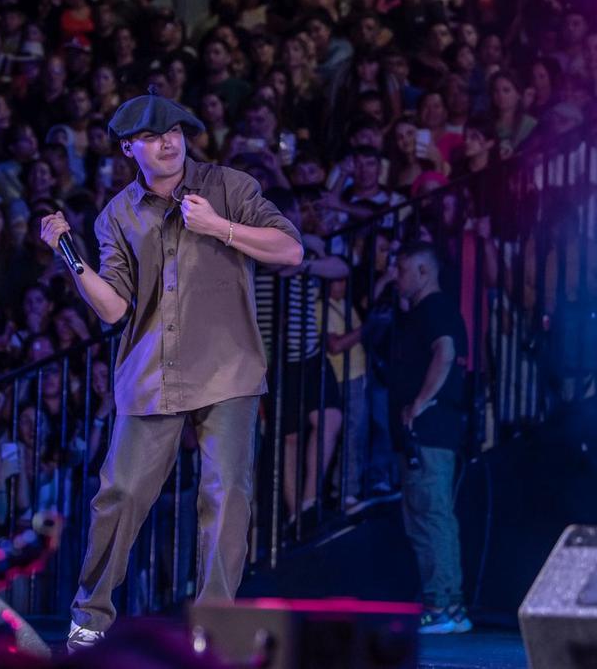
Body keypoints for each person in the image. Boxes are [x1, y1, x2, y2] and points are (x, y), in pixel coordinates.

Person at [41, 87, 302, 651]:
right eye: (153, 138)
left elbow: (290, 250)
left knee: (227, 494)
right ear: (129, 148)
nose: (168, 144)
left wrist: (219, 228)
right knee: (122, 493)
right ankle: (90, 618)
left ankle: (213, 630)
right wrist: (68, 252)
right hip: (151, 373)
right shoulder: (118, 212)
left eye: (175, 133)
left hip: (228, 369)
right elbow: (113, 307)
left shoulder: (228, 186)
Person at [365, 241, 471, 635]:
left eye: (404, 270)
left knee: (430, 517)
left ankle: (442, 605)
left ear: (425, 272)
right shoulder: (420, 312)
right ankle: (449, 604)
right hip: (422, 435)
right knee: (426, 517)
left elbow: (445, 353)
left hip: (429, 431)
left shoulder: (436, 309)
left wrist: (419, 404)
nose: (398, 278)